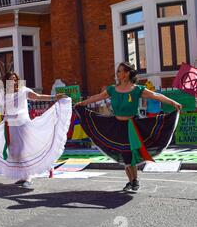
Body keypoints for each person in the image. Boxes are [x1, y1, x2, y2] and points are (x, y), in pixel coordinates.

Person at [75, 62, 182, 192]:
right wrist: (82, 103)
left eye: (120, 71)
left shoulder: (137, 90)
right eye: (118, 71)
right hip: (116, 126)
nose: (118, 73)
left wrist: (173, 102)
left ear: (127, 73)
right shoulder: (112, 90)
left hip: (133, 126)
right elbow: (97, 97)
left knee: (130, 154)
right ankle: (132, 181)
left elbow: (156, 96)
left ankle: (134, 181)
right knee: (125, 155)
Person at [0, 72, 72, 188]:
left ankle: (28, 177)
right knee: (14, 152)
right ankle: (22, 176)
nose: (13, 81)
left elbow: (37, 97)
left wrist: (55, 97)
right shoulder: (2, 95)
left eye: (15, 79)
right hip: (9, 126)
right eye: (10, 79)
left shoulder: (23, 91)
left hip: (22, 124)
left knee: (24, 151)